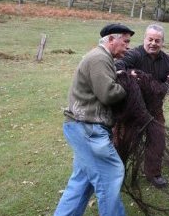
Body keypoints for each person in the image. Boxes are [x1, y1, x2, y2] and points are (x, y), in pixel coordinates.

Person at [54, 23, 135, 216]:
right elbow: (108, 94)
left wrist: (117, 76)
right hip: (88, 129)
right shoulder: (99, 58)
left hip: (81, 127)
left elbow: (101, 85)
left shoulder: (100, 58)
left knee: (82, 182)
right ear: (111, 39)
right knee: (111, 174)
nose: (128, 46)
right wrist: (127, 85)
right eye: (125, 41)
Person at [115, 24, 169, 188]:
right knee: (123, 141)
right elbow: (119, 65)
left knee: (157, 139)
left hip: (154, 109)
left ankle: (153, 174)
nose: (153, 43)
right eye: (150, 39)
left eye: (157, 41)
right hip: (132, 108)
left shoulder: (167, 61)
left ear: (162, 42)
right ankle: (116, 172)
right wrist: (127, 73)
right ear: (145, 39)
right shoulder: (134, 54)